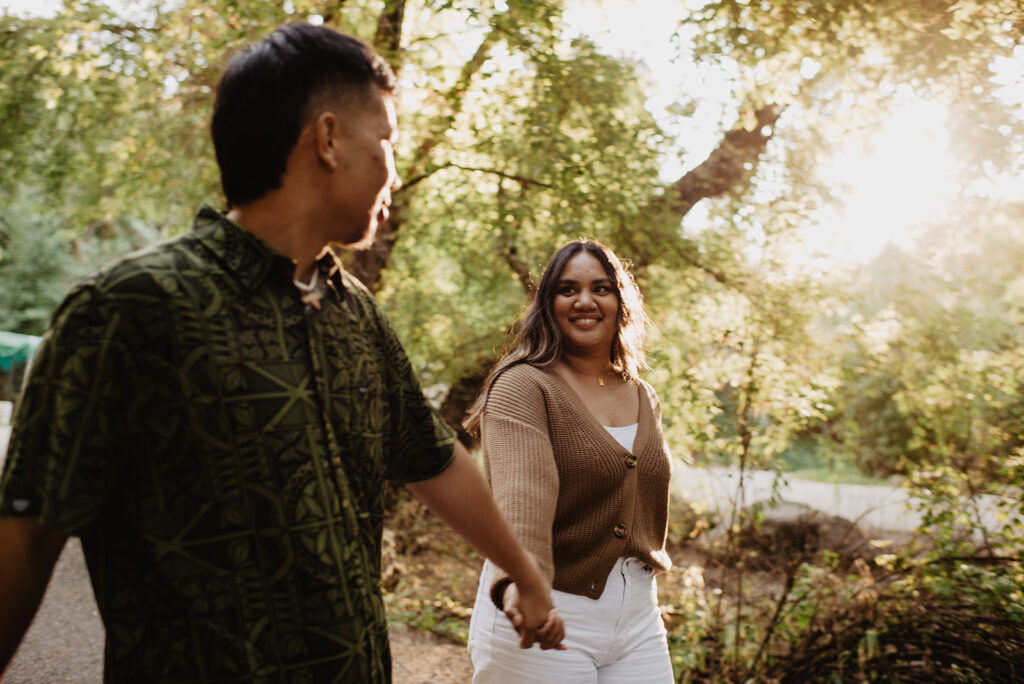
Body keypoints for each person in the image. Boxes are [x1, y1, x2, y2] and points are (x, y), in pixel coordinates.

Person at [0, 23, 563, 683]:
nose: (395, 171)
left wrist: (526, 576)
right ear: (326, 139)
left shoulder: (356, 314)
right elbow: (28, 534)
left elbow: (431, 457)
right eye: (386, 143)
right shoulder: (127, 310)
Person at [464, 239, 675, 683]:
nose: (585, 301)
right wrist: (527, 583)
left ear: (621, 301)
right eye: (567, 289)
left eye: (601, 288)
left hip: (637, 620)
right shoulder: (523, 386)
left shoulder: (642, 394)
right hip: (545, 608)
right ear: (548, 304)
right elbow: (522, 496)